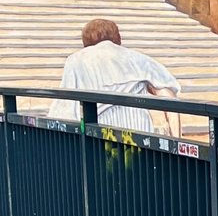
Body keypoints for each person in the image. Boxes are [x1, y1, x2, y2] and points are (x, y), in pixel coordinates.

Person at [51, 18, 182, 137]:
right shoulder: (137, 58)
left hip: (99, 132)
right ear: (117, 36)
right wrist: (176, 138)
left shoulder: (76, 60)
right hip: (139, 131)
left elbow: (64, 107)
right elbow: (168, 95)